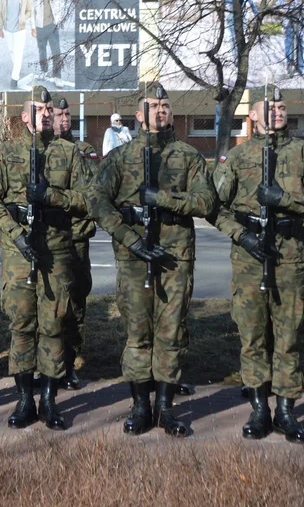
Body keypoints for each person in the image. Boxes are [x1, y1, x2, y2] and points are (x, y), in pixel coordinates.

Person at [89, 82, 215, 438]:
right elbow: (97, 203)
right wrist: (132, 240)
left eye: (165, 105)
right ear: (139, 115)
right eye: (153, 105)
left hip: (175, 257)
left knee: (171, 332)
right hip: (134, 258)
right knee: (138, 333)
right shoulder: (120, 158)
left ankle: (166, 408)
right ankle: (140, 406)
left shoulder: (187, 156)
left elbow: (207, 203)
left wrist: (163, 199)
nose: (161, 110)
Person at [219, 86, 304, 443]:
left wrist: (286, 200)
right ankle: (259, 408)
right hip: (250, 253)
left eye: (282, 107)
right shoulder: (238, 158)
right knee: (252, 333)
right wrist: (241, 235)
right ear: (253, 116)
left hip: (289, 254)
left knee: (287, 335)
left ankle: (286, 410)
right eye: (270, 107)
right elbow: (213, 205)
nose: (278, 111)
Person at [0, 86, 92, 431]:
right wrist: (14, 234)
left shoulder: (69, 154)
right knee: (21, 324)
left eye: (49, 109)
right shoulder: (7, 152)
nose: (45, 114)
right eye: (38, 109)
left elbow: (90, 200)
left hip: (56, 251)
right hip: (19, 252)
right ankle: (24, 399)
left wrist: (52, 196)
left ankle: (49, 399)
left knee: (54, 324)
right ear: (25, 116)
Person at [53, 97, 100, 389]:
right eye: (59, 114)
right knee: (50, 305)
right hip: (50, 239)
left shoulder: (85, 151)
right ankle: (48, 362)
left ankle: (70, 361)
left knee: (75, 302)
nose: (64, 118)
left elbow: (94, 193)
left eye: (67, 113)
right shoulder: (41, 151)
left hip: (76, 237)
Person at [30, 0, 66, 82]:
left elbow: (61, 5)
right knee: (42, 50)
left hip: (52, 26)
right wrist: (33, 27)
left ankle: (57, 76)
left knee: (56, 51)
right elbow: (31, 11)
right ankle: (44, 71)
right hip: (40, 26)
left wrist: (59, 21)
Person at [0, 0, 33, 90]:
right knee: (12, 51)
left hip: (20, 30)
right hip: (8, 29)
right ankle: (17, 68)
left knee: (18, 52)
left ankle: (14, 77)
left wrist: (24, 18)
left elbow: (30, 11)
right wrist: (0, 28)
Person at [277, 0, 304, 77]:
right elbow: (277, 5)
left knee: (300, 43)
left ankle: (300, 66)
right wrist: (282, 10)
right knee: (289, 43)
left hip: (300, 21)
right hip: (289, 21)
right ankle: (290, 65)